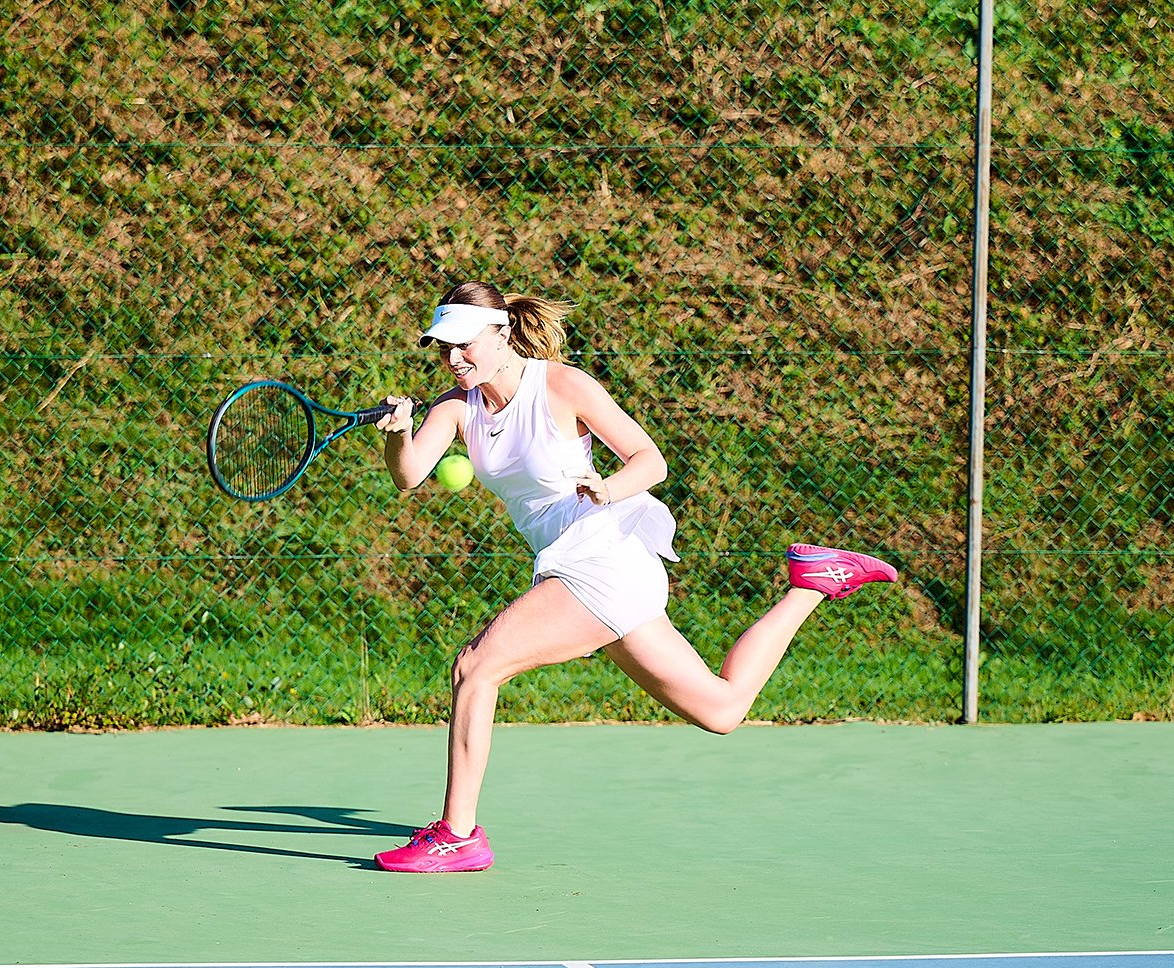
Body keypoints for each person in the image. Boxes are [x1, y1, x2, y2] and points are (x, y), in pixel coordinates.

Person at [370, 281, 897, 873]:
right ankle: (813, 582)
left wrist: (609, 487)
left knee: (477, 665)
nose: (453, 358)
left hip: (603, 555)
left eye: (464, 345)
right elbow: (411, 474)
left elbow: (651, 460)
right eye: (443, 347)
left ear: (500, 333)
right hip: (571, 562)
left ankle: (458, 834)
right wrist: (396, 438)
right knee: (721, 710)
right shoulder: (453, 408)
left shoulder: (563, 386)